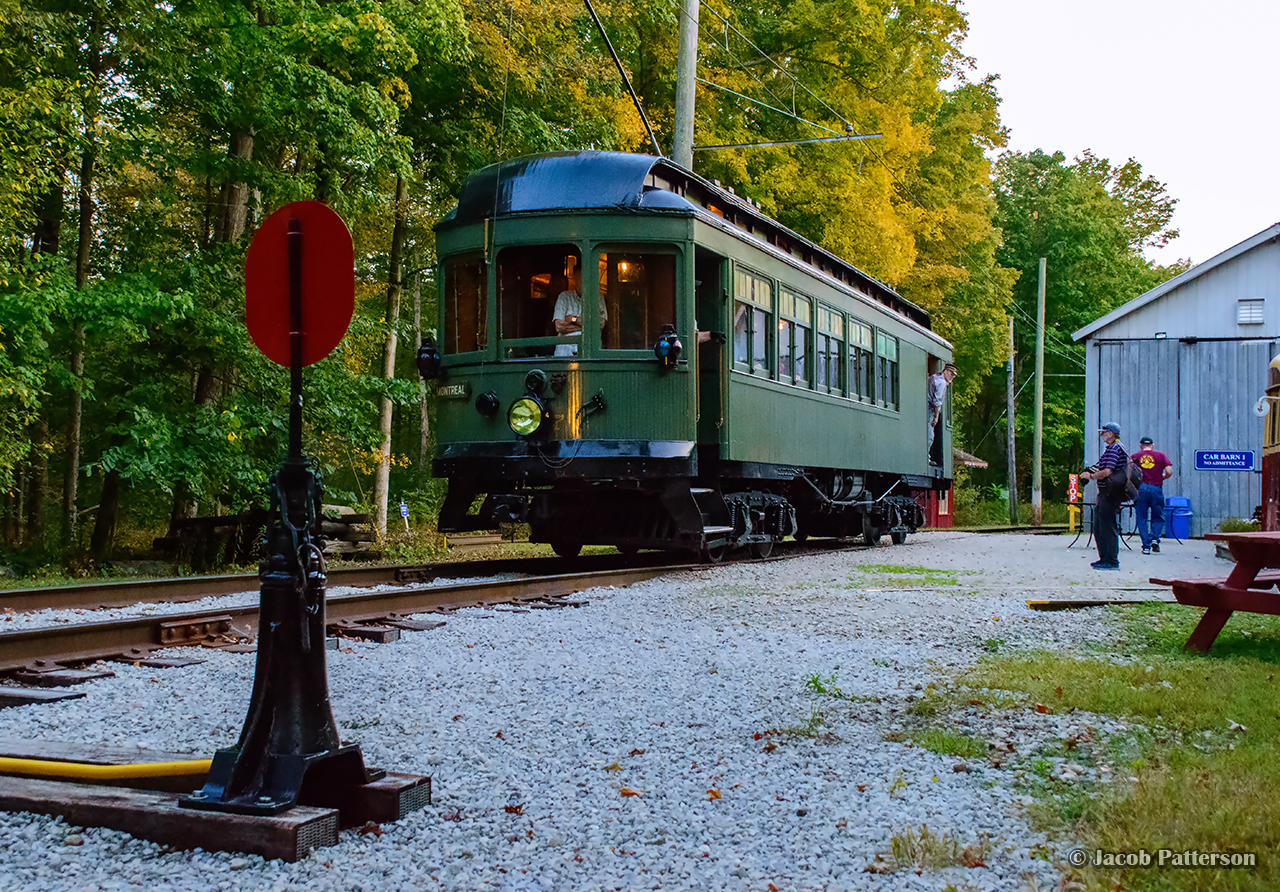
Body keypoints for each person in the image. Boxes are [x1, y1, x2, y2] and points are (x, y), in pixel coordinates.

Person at [1079, 422, 1128, 570]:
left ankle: (1111, 560)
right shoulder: (1112, 449)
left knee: (1107, 526)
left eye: (1104, 432)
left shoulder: (1114, 449)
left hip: (1110, 493)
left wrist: (1092, 476)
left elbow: (1107, 471)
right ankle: (1104, 558)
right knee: (1100, 526)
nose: (1101, 435)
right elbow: (1101, 465)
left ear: (1111, 433)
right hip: (1105, 493)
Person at [552, 267, 607, 357]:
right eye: (580, 279)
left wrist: (573, 319)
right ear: (574, 279)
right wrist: (588, 326)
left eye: (586, 279)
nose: (583, 283)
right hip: (564, 353)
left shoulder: (598, 297)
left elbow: (600, 324)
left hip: (589, 354)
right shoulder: (564, 297)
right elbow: (559, 327)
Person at [1133, 436, 1173, 554]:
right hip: (1156, 487)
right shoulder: (1161, 456)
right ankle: (1155, 539)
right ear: (1152, 445)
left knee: (1142, 518)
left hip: (1141, 488)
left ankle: (1145, 546)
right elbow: (1169, 471)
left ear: (1141, 445)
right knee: (1158, 516)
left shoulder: (1135, 456)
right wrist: (1163, 477)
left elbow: (1129, 472)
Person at [927, 362, 957, 460]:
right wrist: (936, 416)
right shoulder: (942, 383)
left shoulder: (933, 377)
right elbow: (937, 401)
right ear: (946, 372)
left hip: (926, 406)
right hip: (930, 410)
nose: (952, 377)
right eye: (951, 374)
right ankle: (927, 456)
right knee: (930, 435)